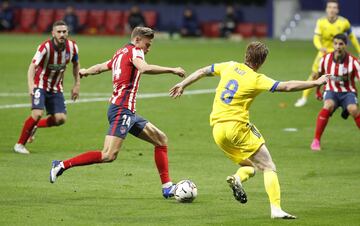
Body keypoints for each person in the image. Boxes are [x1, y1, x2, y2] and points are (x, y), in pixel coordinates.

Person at [170, 41, 328, 219]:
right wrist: (316, 82)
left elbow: (201, 71)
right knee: (268, 166)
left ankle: (237, 179)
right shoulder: (256, 79)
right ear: (262, 62)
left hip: (218, 131)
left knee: (251, 166)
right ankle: (276, 209)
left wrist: (183, 84)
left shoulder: (229, 66)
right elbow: (288, 86)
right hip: (237, 127)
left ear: (246, 55)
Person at [49, 27, 185, 199]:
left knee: (161, 139)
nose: (148, 49)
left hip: (127, 111)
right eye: (147, 44)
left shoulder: (120, 52)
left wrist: (85, 71)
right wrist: (172, 70)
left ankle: (167, 187)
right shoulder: (136, 51)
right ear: (137, 40)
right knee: (108, 155)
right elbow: (143, 68)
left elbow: (100, 67)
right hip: (122, 111)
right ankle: (61, 165)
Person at [13, 20, 80, 154]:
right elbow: (32, 66)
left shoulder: (72, 47)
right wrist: (31, 85)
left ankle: (34, 126)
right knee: (37, 113)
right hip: (40, 85)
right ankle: (20, 144)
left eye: (64, 32)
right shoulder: (45, 47)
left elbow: (75, 64)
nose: (62, 34)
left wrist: (76, 84)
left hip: (56, 88)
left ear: (67, 32)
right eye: (59, 32)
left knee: (60, 119)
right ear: (53, 33)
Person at [294, 0, 360, 107]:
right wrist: (321, 48)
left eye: (334, 7)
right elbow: (316, 38)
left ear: (337, 10)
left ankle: (344, 98)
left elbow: (352, 37)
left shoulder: (344, 22)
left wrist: (359, 50)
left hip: (339, 54)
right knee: (314, 75)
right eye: (329, 7)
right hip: (323, 54)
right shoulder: (321, 22)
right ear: (326, 9)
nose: (332, 10)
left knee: (343, 77)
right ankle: (303, 98)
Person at [310, 34, 360, 151]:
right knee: (328, 105)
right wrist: (317, 91)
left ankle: (347, 109)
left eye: (341, 44)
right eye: (336, 43)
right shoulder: (325, 59)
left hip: (348, 92)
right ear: (333, 45)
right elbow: (319, 76)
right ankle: (316, 140)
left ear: (345, 45)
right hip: (331, 90)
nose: (338, 46)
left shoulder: (354, 62)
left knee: (353, 109)